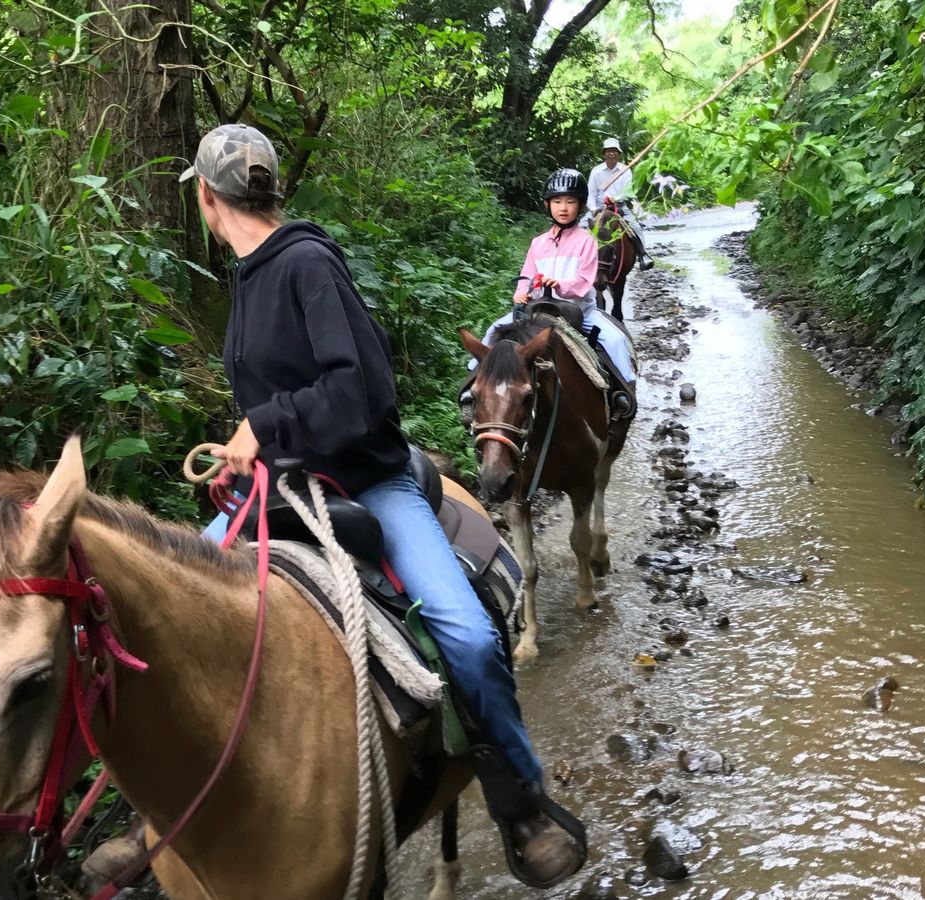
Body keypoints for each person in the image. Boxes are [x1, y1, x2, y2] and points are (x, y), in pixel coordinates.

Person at [182, 123, 584, 886]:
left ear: (207, 198)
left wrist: (262, 426)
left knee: (465, 636)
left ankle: (521, 799)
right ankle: (163, 814)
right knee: (167, 607)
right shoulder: (246, 274)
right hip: (282, 485)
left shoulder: (305, 265)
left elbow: (362, 393)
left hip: (367, 479)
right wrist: (254, 450)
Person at [464, 168, 636, 419]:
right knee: (493, 331)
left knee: (616, 340)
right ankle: (474, 386)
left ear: (579, 206)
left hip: (579, 311)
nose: (563, 208)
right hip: (538, 311)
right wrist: (521, 293)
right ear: (548, 205)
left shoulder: (587, 240)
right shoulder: (538, 243)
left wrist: (559, 285)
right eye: (557, 202)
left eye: (570, 202)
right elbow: (526, 276)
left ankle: (623, 393)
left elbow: (583, 281)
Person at [581, 137, 654, 270]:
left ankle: (642, 256)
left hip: (619, 207)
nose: (611, 153)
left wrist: (616, 198)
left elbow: (628, 191)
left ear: (618, 154)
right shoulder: (596, 171)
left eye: (614, 151)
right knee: (580, 228)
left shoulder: (625, 170)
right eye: (608, 151)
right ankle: (575, 259)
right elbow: (590, 194)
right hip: (598, 208)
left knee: (635, 227)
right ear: (604, 154)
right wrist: (592, 209)